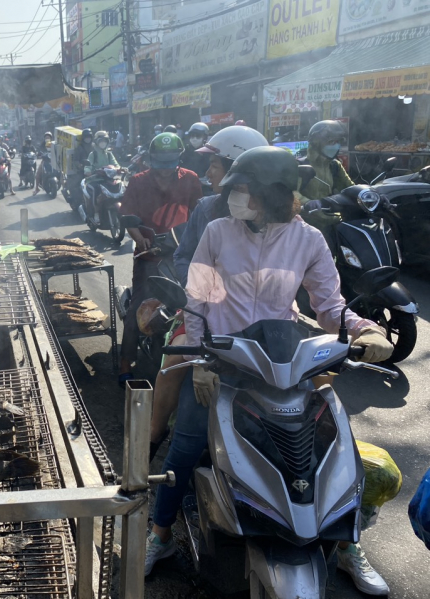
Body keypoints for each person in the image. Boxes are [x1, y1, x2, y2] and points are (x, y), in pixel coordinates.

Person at [145, 146, 394, 597]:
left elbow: (330, 305)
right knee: (184, 450)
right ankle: (160, 535)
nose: (237, 198)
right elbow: (197, 299)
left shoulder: (309, 241)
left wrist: (367, 330)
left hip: (283, 363)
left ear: (275, 195)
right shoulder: (219, 231)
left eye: (246, 190)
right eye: (235, 190)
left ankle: (344, 546)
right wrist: (200, 357)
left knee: (334, 455)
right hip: (222, 360)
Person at [148, 126, 269, 460]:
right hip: (206, 310)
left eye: (215, 165)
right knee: (173, 360)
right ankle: (155, 434)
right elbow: (183, 256)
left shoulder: (279, 218)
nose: (209, 172)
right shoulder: (207, 209)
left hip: (263, 319)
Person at [117, 132, 202, 385]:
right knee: (139, 306)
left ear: (178, 158)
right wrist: (138, 237)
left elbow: (199, 214)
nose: (164, 170)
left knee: (195, 304)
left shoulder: (191, 179)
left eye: (170, 162)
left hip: (182, 253)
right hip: (148, 254)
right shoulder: (138, 181)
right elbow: (127, 216)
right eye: (159, 162)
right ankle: (125, 362)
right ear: (150, 159)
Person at [299, 120, 355, 244]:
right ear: (316, 143)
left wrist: (367, 194)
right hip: (306, 226)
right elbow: (291, 192)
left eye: (338, 142)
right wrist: (309, 203)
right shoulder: (301, 165)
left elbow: (349, 188)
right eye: (331, 142)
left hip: (332, 222)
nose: (336, 146)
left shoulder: (334, 165)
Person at [82, 131, 120, 222]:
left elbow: (116, 164)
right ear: (96, 142)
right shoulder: (93, 154)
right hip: (94, 179)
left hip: (108, 179)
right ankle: (96, 213)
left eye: (105, 141)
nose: (103, 143)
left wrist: (119, 168)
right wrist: (88, 171)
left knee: (120, 188)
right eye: (101, 141)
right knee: (96, 191)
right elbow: (88, 166)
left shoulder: (109, 153)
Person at [67, 128, 94, 202]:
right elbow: (75, 160)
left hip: (94, 170)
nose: (88, 138)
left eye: (89, 136)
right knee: (78, 185)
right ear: (83, 138)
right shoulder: (79, 148)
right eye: (86, 137)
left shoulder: (94, 146)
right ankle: (77, 201)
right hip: (82, 170)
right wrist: (80, 165)